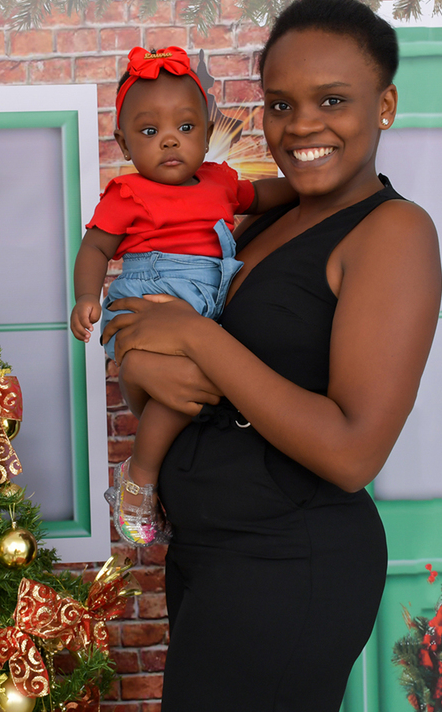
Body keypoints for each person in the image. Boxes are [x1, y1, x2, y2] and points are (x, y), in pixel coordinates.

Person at [102, 0, 442, 710]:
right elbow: (171, 382)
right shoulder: (262, 222)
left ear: (384, 106)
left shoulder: (394, 232)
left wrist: (197, 338)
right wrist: (140, 360)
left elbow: (352, 454)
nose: (302, 125)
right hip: (209, 549)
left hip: (289, 558)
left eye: (332, 100)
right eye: (281, 105)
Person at [71, 45, 296, 545]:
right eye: (150, 132)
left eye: (186, 127)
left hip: (205, 300)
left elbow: (261, 196)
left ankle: (162, 477)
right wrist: (86, 295)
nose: (170, 140)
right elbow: (95, 247)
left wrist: (305, 184)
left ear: (207, 133)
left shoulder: (219, 181)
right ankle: (139, 479)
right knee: (184, 389)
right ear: (123, 143)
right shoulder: (128, 194)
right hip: (154, 296)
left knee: (206, 386)